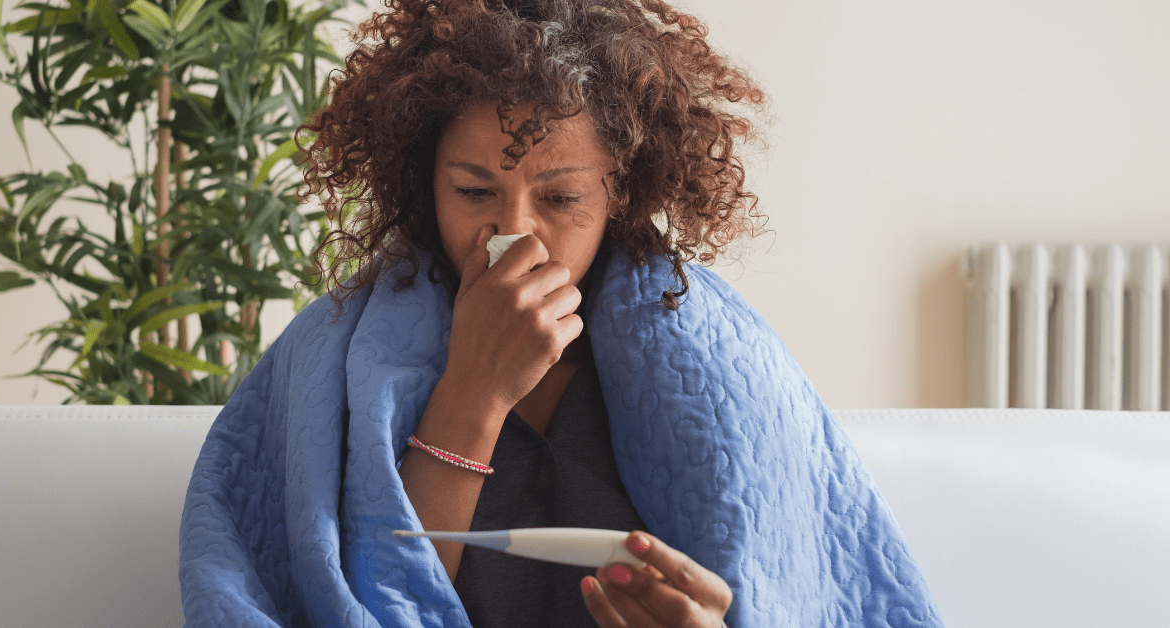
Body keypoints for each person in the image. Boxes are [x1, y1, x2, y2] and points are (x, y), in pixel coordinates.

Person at [179, 1, 945, 627]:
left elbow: (794, 597)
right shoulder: (335, 350)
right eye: (474, 192)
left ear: (623, 191)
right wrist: (471, 394)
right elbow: (351, 603)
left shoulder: (720, 359)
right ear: (422, 183)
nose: (513, 232)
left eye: (561, 199)